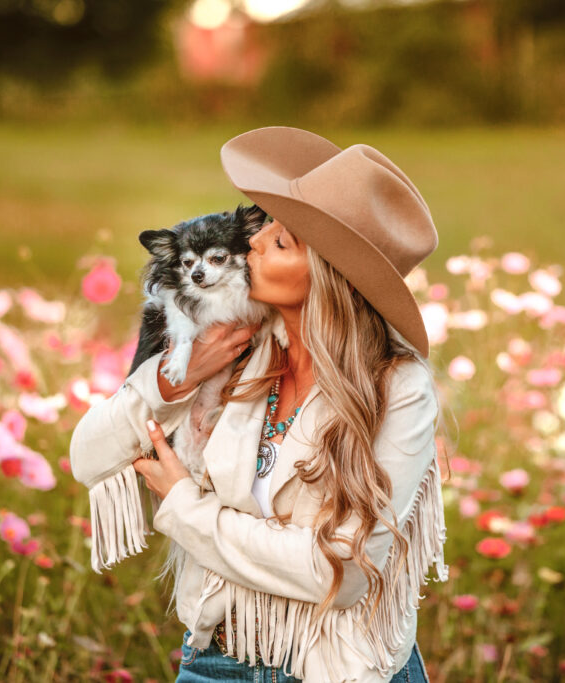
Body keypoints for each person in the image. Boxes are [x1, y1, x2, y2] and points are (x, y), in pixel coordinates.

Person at [70, 127, 447, 682]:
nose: (254, 241)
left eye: (281, 240)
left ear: (332, 276)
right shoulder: (238, 346)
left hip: (339, 667)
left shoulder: (396, 388)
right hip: (215, 658)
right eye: (266, 226)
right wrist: (174, 382)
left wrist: (186, 507)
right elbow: (88, 458)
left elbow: (340, 572)